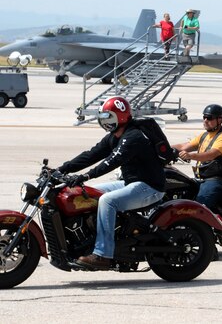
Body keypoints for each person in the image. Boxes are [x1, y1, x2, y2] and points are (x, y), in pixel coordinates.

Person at [57, 96, 165, 270]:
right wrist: (62, 169)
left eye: (108, 117)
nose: (104, 121)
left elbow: (112, 161)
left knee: (107, 201)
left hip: (149, 187)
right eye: (103, 117)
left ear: (120, 117)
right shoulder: (115, 136)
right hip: (131, 183)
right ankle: (91, 236)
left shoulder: (133, 137)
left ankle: (102, 254)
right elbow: (92, 154)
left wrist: (85, 176)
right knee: (88, 193)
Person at [172, 104, 222, 211]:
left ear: (220, 119)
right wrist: (162, 147)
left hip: (214, 180)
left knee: (197, 211)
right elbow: (184, 146)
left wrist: (190, 156)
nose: (205, 120)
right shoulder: (205, 135)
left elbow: (211, 154)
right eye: (204, 117)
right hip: (200, 179)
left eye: (209, 118)